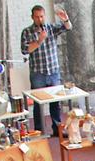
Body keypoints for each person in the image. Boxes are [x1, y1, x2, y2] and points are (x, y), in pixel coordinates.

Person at [21, 4, 72, 135]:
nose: (40, 19)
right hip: (38, 73)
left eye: (42, 16)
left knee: (55, 102)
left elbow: (68, 28)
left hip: (53, 71)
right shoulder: (26, 32)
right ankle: (38, 131)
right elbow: (25, 50)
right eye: (37, 17)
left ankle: (57, 129)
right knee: (38, 103)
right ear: (32, 17)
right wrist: (39, 41)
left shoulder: (51, 28)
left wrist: (65, 19)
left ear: (45, 16)